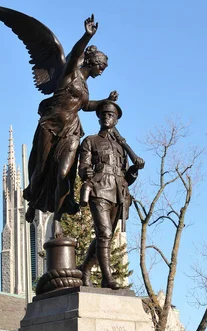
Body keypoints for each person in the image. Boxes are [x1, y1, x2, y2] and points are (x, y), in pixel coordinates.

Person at [24, 15, 118, 238]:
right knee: (40, 170)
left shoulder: (84, 88)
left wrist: (107, 101)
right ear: (92, 62)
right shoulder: (69, 73)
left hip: (72, 130)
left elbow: (86, 106)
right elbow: (75, 52)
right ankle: (32, 201)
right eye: (101, 66)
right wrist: (87, 35)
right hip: (51, 125)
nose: (102, 71)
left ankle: (57, 219)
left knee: (64, 174)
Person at [78, 100, 144, 289]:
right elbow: (82, 167)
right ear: (99, 118)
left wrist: (134, 170)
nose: (107, 117)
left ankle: (85, 269)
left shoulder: (121, 147)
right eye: (104, 114)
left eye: (111, 115)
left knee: (103, 235)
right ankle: (108, 278)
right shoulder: (90, 141)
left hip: (118, 194)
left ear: (116, 120)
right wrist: (86, 172)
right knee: (105, 233)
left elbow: (125, 177)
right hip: (98, 189)